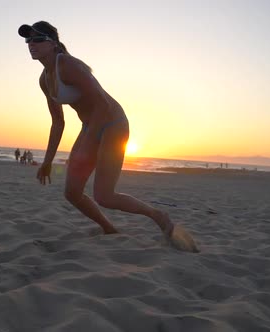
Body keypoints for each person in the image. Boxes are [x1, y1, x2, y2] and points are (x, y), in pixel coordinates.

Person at [18, 21, 178, 239]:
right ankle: (109, 229)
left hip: (113, 124)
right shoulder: (44, 79)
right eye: (28, 40)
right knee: (72, 193)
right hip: (90, 126)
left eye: (37, 39)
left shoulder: (67, 65)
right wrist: (47, 161)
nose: (31, 44)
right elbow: (57, 122)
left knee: (105, 196)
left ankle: (157, 215)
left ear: (53, 44)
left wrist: (87, 144)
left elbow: (102, 103)